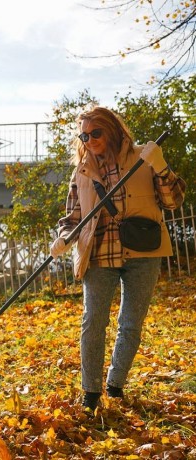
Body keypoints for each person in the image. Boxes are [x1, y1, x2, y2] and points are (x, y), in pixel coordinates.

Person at [50, 106, 186, 412]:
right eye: (84, 136)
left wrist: (161, 166)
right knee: (92, 322)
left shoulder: (143, 158)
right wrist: (63, 237)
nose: (90, 140)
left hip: (143, 251)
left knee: (131, 323)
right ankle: (91, 393)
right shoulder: (82, 172)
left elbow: (173, 201)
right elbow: (72, 217)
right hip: (98, 254)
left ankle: (115, 384)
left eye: (96, 133)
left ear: (112, 129)